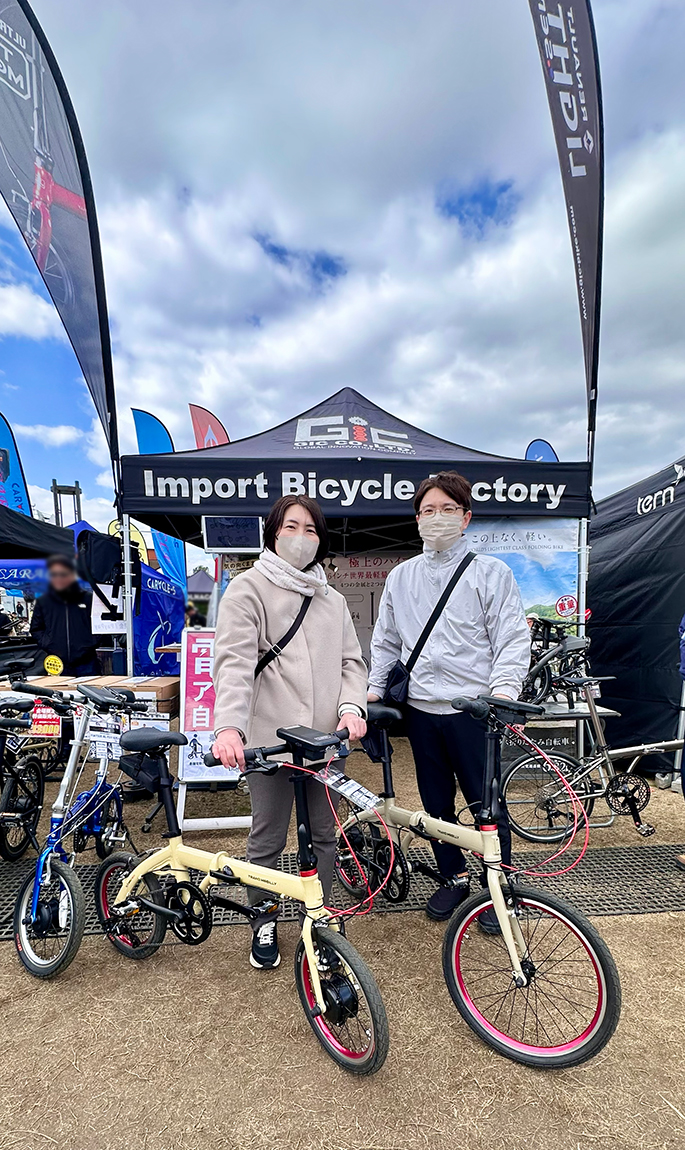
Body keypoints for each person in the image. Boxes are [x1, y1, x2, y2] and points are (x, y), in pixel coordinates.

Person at [211, 494, 367, 969]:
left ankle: (320, 916)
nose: (301, 537)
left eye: (311, 529)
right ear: (273, 533)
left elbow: (352, 662)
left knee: (324, 832)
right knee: (268, 836)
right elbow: (234, 664)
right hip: (270, 741)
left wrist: (351, 707)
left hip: (325, 741)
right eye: (291, 527)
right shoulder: (248, 589)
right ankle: (263, 918)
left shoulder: (332, 599)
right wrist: (230, 727)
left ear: (321, 540)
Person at [368, 471, 530, 926]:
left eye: (447, 509)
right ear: (417, 519)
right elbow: (386, 640)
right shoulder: (401, 577)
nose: (437, 518)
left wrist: (503, 693)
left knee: (486, 804)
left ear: (466, 517)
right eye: (428, 510)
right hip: (422, 710)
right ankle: (453, 876)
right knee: (436, 802)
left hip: (474, 711)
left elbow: (512, 639)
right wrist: (373, 690)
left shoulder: (490, 573)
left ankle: (500, 887)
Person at [30, 554, 100, 676]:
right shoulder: (44, 601)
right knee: (59, 689)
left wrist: (90, 644)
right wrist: (47, 644)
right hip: (56, 663)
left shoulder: (89, 599)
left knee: (91, 688)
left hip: (86, 661)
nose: (58, 578)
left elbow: (100, 624)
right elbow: (36, 628)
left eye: (63, 574)